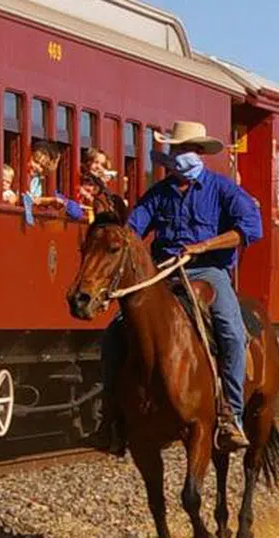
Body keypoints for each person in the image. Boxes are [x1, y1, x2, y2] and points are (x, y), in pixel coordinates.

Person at [100, 120, 262, 455]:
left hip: (210, 272)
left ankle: (231, 413)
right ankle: (112, 418)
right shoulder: (159, 194)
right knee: (114, 334)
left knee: (231, 332)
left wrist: (204, 246)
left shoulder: (223, 189)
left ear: (199, 153)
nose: (176, 156)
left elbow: (251, 228)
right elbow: (132, 232)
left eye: (182, 149)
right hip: (164, 272)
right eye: (173, 150)